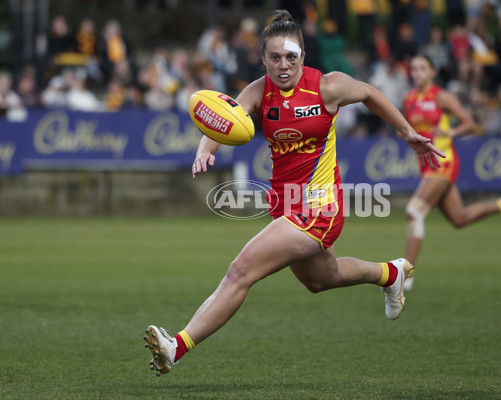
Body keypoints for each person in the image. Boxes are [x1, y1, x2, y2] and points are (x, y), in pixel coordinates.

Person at [144, 10, 445, 377]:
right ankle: (391, 274)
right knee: (321, 280)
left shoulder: (327, 86)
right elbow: (223, 118)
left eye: (291, 57)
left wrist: (406, 132)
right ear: (264, 58)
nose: (283, 66)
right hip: (284, 204)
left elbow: (369, 93)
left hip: (320, 207)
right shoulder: (257, 91)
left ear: (302, 54)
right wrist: (205, 149)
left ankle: (176, 347)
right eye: (275, 58)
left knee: (240, 271)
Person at [401, 55, 501, 290]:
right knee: (459, 219)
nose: (417, 73)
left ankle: (405, 275)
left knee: (414, 211)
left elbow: (470, 124)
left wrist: (450, 133)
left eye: (422, 68)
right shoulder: (409, 99)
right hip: (426, 167)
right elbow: (406, 130)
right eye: (414, 69)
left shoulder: (441, 97)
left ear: (432, 72)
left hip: (444, 162)